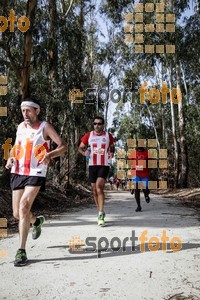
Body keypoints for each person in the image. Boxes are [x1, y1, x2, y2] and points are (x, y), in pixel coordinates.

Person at [5, 98, 67, 267]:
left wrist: (50, 155)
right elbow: (16, 147)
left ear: (37, 111)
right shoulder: (20, 127)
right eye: (23, 111)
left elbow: (63, 146)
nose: (25, 114)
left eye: (29, 111)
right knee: (17, 214)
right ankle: (36, 222)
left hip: (36, 171)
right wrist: (11, 157)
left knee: (24, 206)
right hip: (18, 170)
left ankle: (21, 251)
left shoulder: (44, 127)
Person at [78, 116, 115, 226]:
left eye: (99, 124)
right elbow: (80, 147)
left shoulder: (108, 136)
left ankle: (100, 213)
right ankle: (100, 210)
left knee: (99, 187)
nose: (97, 126)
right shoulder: (89, 135)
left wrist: (111, 152)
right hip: (92, 165)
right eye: (95, 124)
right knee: (94, 190)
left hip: (104, 165)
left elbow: (112, 146)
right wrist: (84, 153)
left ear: (103, 125)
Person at [130, 146, 150, 212]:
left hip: (144, 174)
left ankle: (146, 195)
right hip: (136, 173)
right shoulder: (133, 153)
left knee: (146, 189)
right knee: (136, 189)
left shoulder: (147, 153)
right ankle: (138, 206)